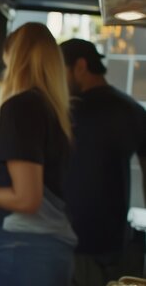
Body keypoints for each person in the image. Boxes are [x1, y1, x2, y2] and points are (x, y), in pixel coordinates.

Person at [0, 22, 77, 285]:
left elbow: (26, 199)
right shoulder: (49, 108)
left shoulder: (21, 108)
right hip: (44, 249)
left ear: (14, 57)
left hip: (26, 250)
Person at [60, 38, 146, 286]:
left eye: (61, 71)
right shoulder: (134, 111)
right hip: (115, 241)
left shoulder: (69, 112)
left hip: (74, 239)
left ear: (80, 66)